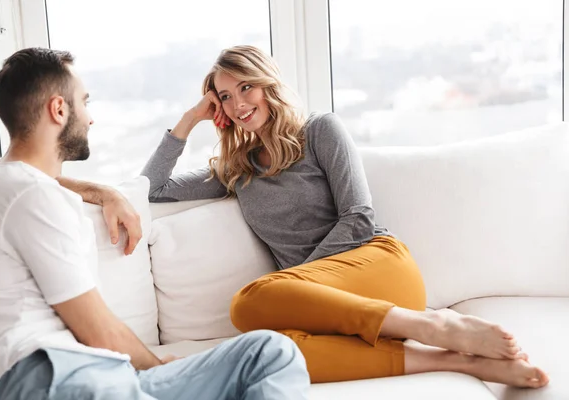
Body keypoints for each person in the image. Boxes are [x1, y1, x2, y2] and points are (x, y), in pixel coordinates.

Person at [139, 45, 549, 389]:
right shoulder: (236, 168)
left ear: (268, 84)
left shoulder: (320, 130)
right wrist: (191, 118)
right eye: (225, 97)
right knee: (269, 350)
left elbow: (359, 217)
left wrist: (303, 285)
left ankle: (431, 326)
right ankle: (459, 361)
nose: (239, 103)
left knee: (247, 304)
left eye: (246, 87)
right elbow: (152, 188)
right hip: (320, 306)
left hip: (377, 267)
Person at [0, 47, 310, 400]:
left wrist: (103, 192)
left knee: (268, 351)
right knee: (271, 353)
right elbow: (96, 328)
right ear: (58, 109)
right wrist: (160, 368)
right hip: (56, 378)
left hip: (74, 373)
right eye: (84, 102)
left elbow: (30, 180)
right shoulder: (32, 197)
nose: (90, 118)